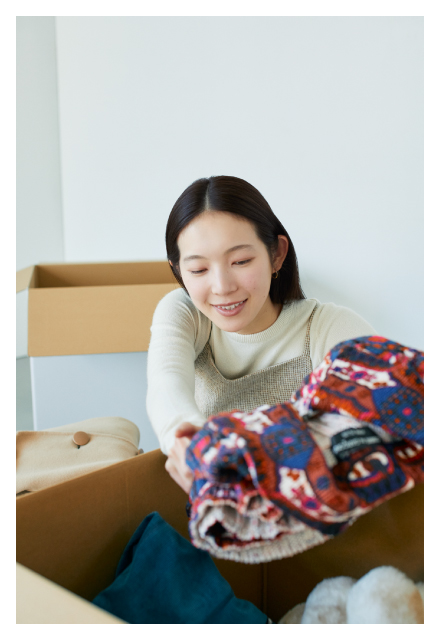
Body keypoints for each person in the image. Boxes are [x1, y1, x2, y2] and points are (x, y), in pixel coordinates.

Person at [146, 175, 375, 493]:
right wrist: (186, 440)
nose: (222, 287)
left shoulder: (327, 326)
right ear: (178, 271)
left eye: (240, 261)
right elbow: (165, 384)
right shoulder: (187, 314)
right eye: (198, 270)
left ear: (276, 254)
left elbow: (381, 411)